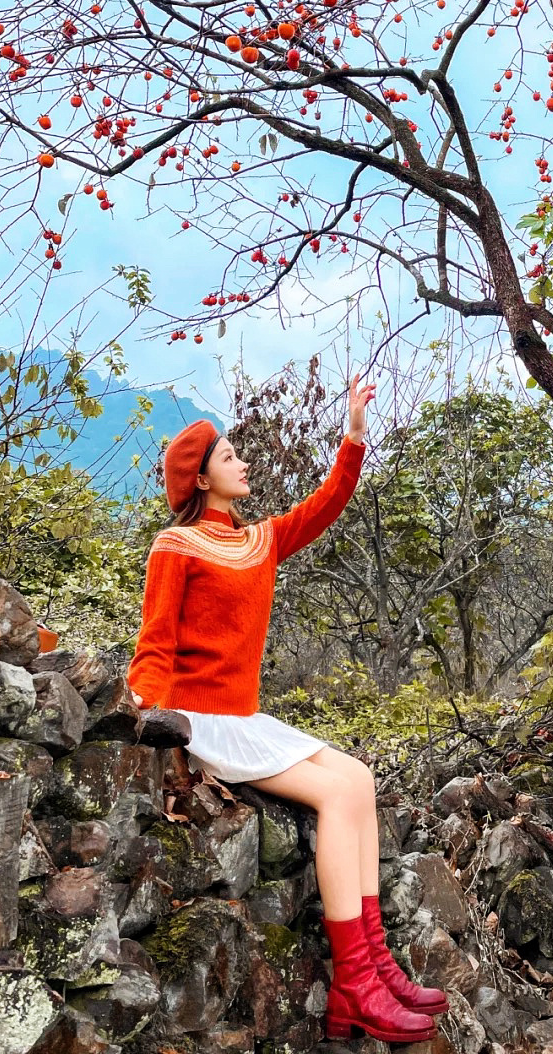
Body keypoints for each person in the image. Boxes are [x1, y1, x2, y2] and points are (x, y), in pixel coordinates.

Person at [126, 373, 448, 1043]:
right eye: (229, 456)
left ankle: (376, 967)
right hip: (206, 723)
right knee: (334, 796)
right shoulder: (174, 546)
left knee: (358, 778)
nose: (242, 462)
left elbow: (326, 505)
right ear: (202, 479)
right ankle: (355, 983)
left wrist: (352, 438)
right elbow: (155, 642)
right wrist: (142, 711)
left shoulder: (260, 540)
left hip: (246, 720)